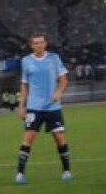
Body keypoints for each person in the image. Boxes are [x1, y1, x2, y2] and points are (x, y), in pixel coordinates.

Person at [14, 32, 72, 184]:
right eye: (36, 43)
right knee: (28, 137)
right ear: (31, 45)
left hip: (53, 107)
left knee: (59, 138)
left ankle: (66, 170)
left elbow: (64, 79)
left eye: (41, 42)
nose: (39, 45)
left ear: (45, 44)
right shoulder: (26, 61)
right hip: (34, 107)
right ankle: (20, 173)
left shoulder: (53, 58)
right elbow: (24, 84)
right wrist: (21, 105)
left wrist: (59, 92)